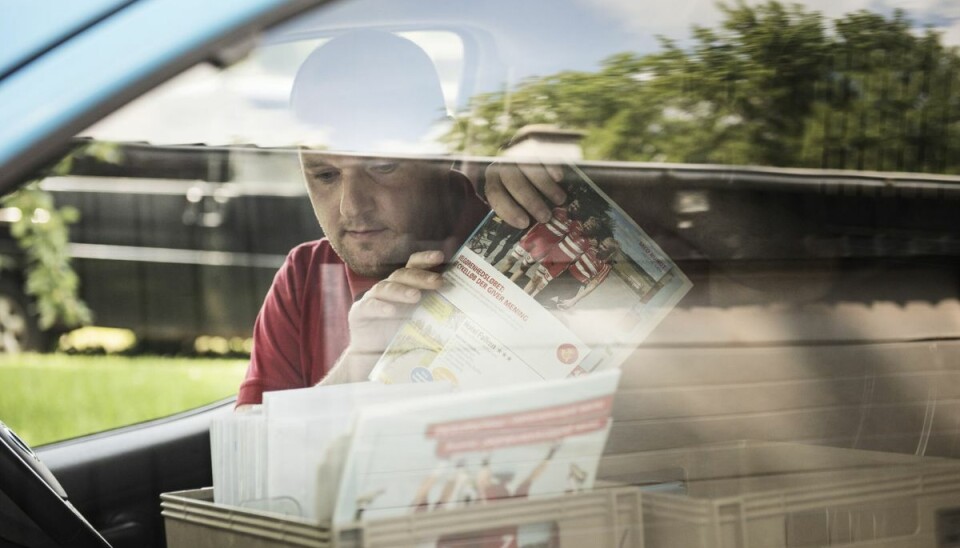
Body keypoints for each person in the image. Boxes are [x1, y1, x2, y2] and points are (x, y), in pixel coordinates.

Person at [236, 31, 565, 407]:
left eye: (382, 166)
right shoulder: (306, 275)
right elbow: (258, 452)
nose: (351, 207)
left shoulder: (528, 240)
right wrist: (358, 365)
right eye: (326, 175)